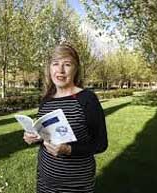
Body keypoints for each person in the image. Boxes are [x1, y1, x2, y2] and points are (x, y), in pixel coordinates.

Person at [23, 43, 108, 193]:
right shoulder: (47, 100)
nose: (60, 70)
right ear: (49, 68)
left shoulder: (87, 99)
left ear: (76, 69)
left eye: (67, 64)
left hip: (76, 185)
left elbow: (101, 144)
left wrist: (69, 150)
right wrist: (36, 137)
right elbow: (47, 135)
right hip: (45, 181)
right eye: (55, 64)